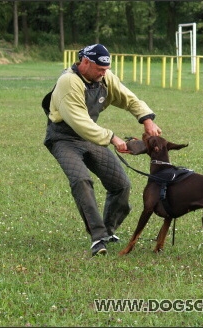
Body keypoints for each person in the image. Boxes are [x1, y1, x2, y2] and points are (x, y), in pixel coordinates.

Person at [42, 44, 162, 256]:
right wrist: (112, 138)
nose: (104, 73)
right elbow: (79, 122)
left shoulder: (104, 77)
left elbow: (127, 97)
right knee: (81, 180)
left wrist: (146, 119)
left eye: (106, 69)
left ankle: (108, 230)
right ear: (85, 62)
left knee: (120, 185)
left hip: (91, 136)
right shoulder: (68, 81)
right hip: (64, 138)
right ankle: (97, 238)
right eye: (100, 69)